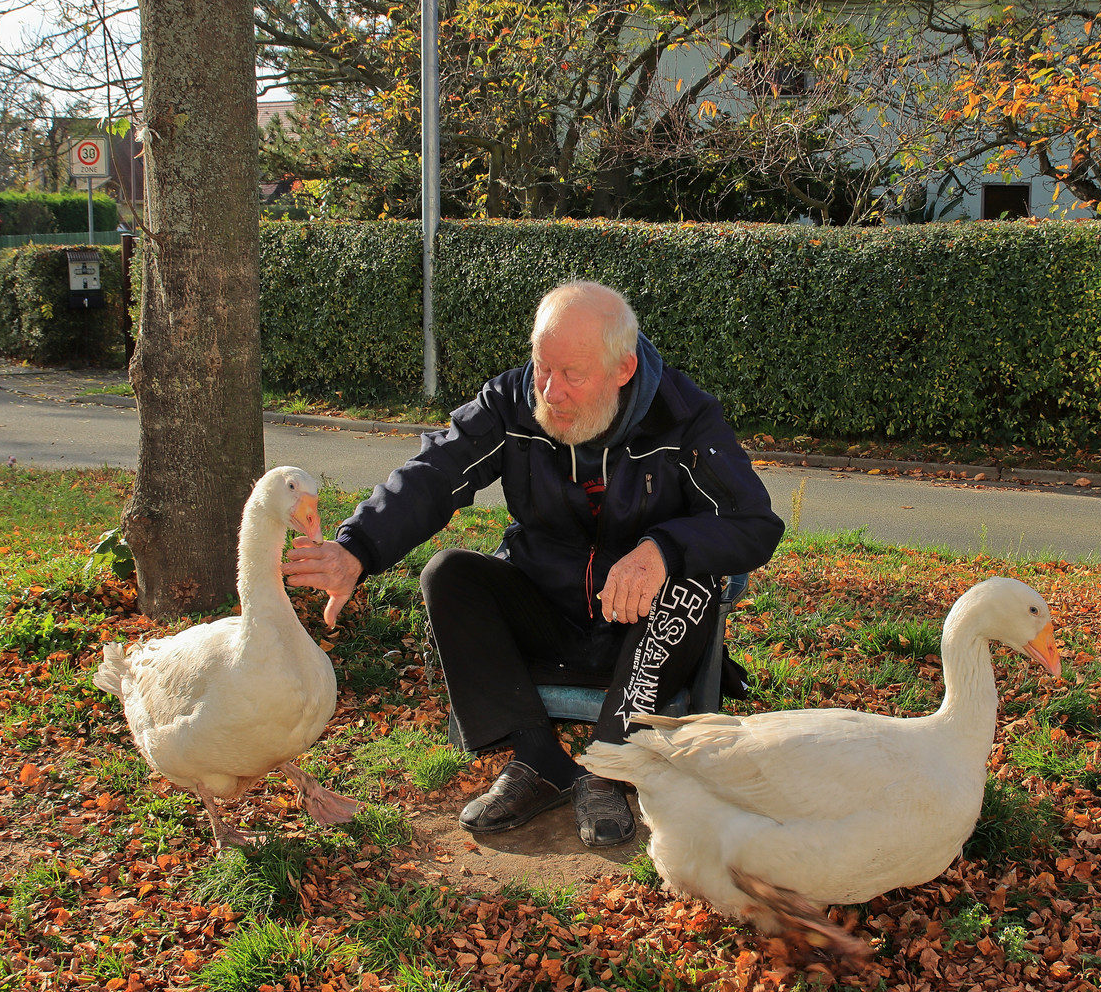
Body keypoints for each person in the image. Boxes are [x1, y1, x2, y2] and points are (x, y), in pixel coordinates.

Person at [281, 281, 784, 848]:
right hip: (547, 608)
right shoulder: (515, 400)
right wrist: (357, 548)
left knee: (690, 580)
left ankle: (609, 766)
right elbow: (436, 472)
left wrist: (663, 549)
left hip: (647, 632)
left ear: (624, 368)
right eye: (542, 367)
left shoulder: (683, 418)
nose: (552, 390)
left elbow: (753, 524)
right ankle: (538, 758)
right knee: (448, 574)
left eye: (573, 374)